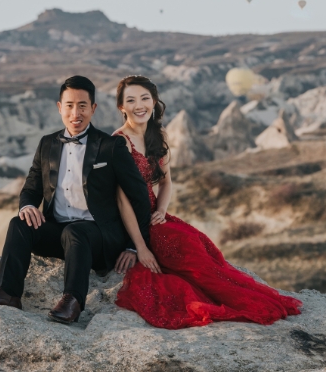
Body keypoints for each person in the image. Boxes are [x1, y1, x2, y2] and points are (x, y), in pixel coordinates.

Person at [110, 75, 302, 328]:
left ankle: (233, 295)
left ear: (154, 102)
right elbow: (121, 199)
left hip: (155, 213)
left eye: (145, 98)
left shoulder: (158, 134)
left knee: (196, 245)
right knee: (181, 255)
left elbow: (166, 182)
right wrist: (140, 248)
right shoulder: (119, 141)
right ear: (122, 107)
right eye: (131, 100)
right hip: (130, 221)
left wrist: (162, 210)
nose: (139, 105)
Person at [0, 75, 151, 324]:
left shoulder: (111, 146)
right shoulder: (47, 144)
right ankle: (8, 293)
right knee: (19, 224)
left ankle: (72, 300)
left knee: (77, 231)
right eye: (70, 105)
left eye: (83, 106)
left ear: (93, 109)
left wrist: (132, 246)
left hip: (97, 238)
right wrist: (28, 205)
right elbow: (31, 187)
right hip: (59, 234)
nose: (76, 113)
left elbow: (139, 197)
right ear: (59, 107)